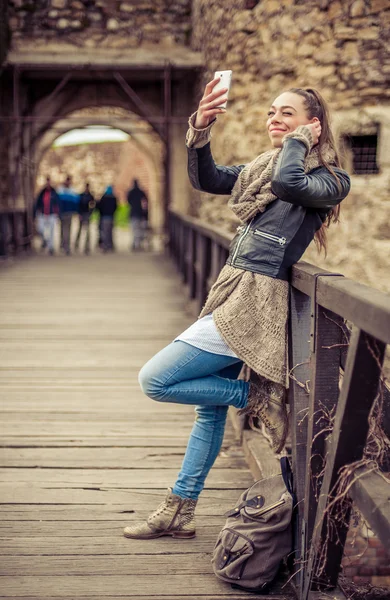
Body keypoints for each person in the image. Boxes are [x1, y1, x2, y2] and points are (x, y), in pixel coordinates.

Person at [123, 81, 351, 540]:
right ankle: (179, 510)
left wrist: (295, 143)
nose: (274, 119)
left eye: (287, 113)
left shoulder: (329, 181)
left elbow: (292, 184)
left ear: (314, 124)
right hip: (230, 289)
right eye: (271, 112)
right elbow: (207, 180)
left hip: (255, 304)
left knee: (156, 379)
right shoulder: (263, 168)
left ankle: (255, 399)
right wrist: (200, 130)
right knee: (208, 411)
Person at [34, 176, 59, 255]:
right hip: (42, 214)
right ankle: (46, 241)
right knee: (40, 229)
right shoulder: (42, 192)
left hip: (51, 215)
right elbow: (37, 203)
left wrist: (57, 214)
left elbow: (58, 204)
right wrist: (35, 213)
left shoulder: (54, 192)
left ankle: (51, 247)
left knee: (51, 232)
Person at [57, 176, 80, 255]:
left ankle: (65, 245)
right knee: (64, 230)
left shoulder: (69, 191)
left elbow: (76, 203)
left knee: (65, 230)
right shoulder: (66, 191)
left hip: (68, 213)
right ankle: (64, 245)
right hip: (63, 213)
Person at [127, 179, 148, 251]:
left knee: (135, 230)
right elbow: (145, 203)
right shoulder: (141, 193)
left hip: (133, 214)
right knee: (139, 230)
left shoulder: (131, 193)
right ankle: (137, 244)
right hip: (140, 214)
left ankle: (136, 244)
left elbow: (128, 201)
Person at [75, 182, 96, 255]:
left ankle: (87, 246)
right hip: (82, 214)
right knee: (80, 230)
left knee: (87, 231)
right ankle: (76, 244)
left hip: (87, 214)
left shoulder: (90, 196)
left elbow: (93, 205)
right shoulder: (81, 195)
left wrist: (90, 212)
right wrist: (79, 213)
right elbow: (78, 205)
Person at [97, 185, 117, 252]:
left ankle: (105, 245)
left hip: (104, 217)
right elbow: (115, 207)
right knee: (110, 232)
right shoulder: (113, 198)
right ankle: (110, 245)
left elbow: (99, 207)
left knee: (105, 232)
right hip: (111, 217)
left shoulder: (103, 198)